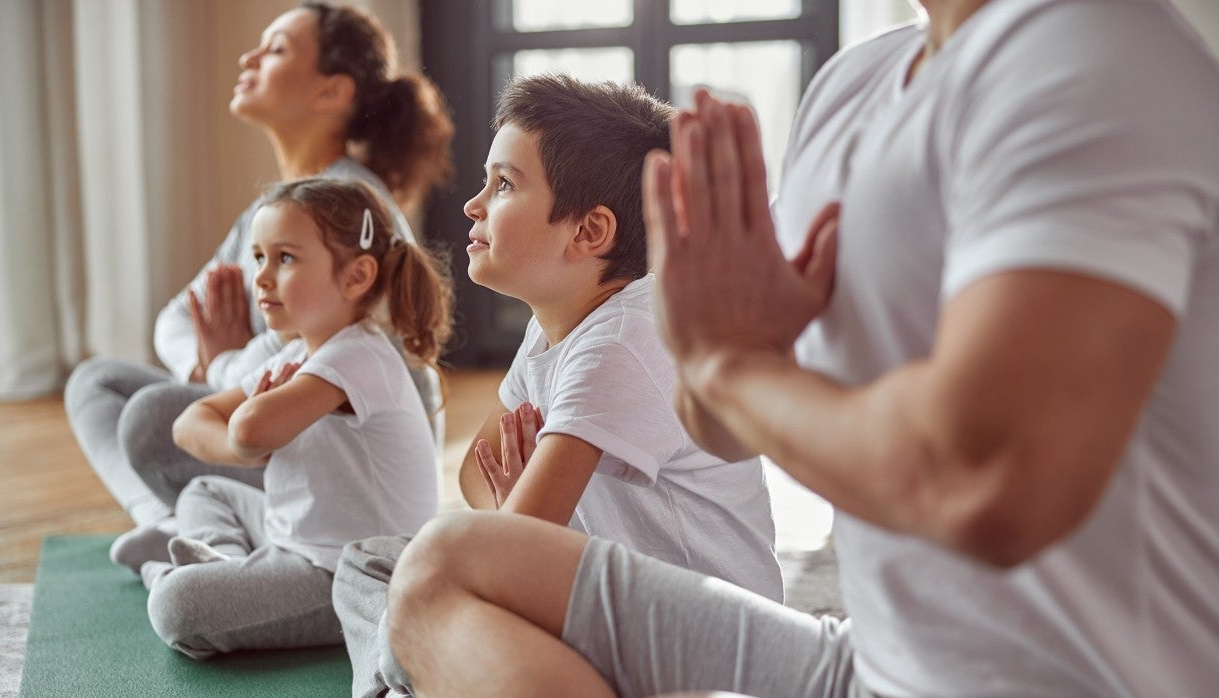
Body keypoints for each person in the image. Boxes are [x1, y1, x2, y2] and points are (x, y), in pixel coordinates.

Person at [384, 0, 1219, 696]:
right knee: (438, 569)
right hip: (869, 663)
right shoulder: (851, 88)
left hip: (1076, 681)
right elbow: (720, 422)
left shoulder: (1093, 55)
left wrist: (740, 366)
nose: (475, 205)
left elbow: (986, 481)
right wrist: (741, 358)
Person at [331, 74, 783, 697]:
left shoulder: (624, 341)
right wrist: (519, 521)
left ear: (590, 233)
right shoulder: (558, 323)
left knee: (435, 572)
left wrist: (520, 526)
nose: (474, 204)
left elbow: (502, 556)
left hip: (692, 652)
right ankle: (414, 669)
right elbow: (476, 472)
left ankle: (406, 675)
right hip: (605, 607)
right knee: (373, 561)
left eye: (505, 184)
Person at [62, 1, 454, 570]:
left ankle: (210, 525)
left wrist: (226, 362)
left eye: (275, 50)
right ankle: (169, 521)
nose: (248, 57)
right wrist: (217, 368)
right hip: (265, 407)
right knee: (96, 381)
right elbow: (176, 319)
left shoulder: (356, 211)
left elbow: (345, 353)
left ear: (331, 92)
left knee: (150, 419)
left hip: (336, 463)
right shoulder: (273, 211)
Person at [138, 177, 453, 659]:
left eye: (285, 258)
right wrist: (247, 444)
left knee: (176, 608)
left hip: (352, 574)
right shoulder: (300, 351)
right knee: (205, 491)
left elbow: (244, 427)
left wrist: (248, 433)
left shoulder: (357, 356)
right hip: (298, 543)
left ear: (355, 277)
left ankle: (187, 574)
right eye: (259, 257)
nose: (260, 277)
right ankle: (222, 563)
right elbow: (191, 422)